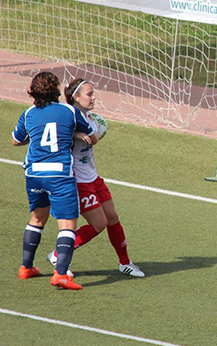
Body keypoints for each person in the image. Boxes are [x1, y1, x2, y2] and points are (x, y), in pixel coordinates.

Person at [46, 79, 145, 278]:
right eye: (89, 94)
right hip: (77, 181)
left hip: (93, 177)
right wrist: (74, 134)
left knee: (112, 217)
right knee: (99, 224)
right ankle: (57, 254)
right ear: (76, 97)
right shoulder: (66, 119)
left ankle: (125, 263)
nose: (94, 97)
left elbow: (94, 138)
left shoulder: (90, 118)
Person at [12, 71, 96, 290]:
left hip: (34, 174)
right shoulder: (68, 111)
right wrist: (75, 135)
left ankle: (26, 267)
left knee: (37, 219)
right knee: (67, 225)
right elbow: (90, 135)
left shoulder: (29, 113)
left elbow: (16, 140)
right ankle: (60, 275)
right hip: (59, 174)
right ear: (56, 90)